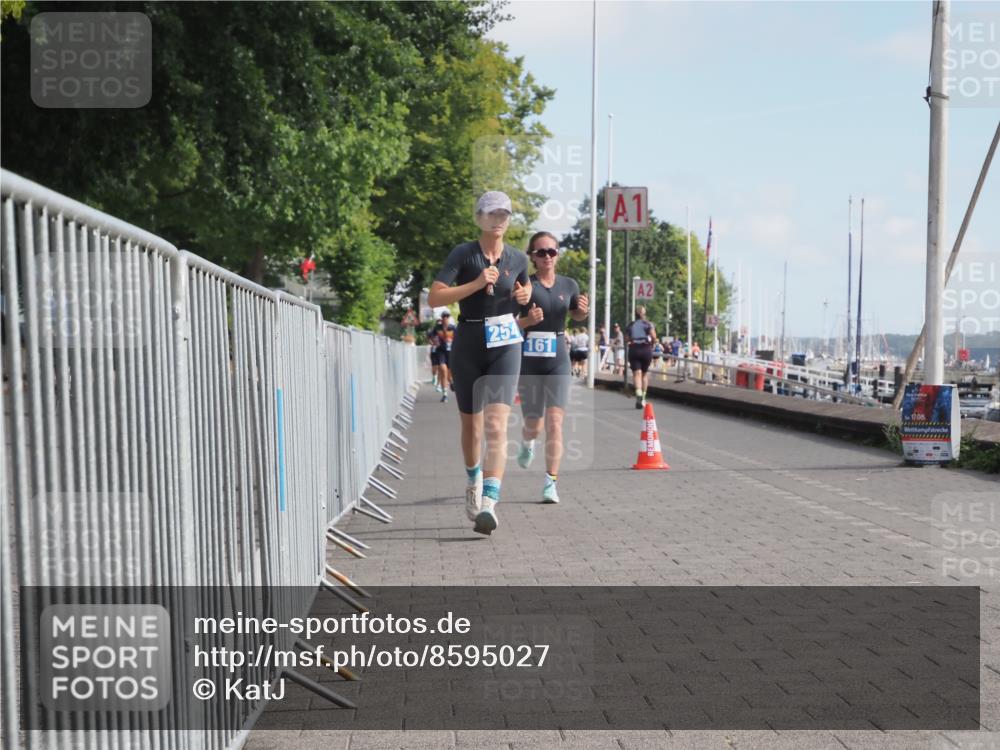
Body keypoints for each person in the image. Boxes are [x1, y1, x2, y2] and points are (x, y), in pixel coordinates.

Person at [427, 191, 531, 535]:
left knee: (498, 427)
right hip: (469, 341)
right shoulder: (464, 253)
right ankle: (473, 481)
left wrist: (524, 299)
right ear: (479, 218)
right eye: (491, 213)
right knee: (471, 426)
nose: (498, 219)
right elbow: (435, 296)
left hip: (504, 343)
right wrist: (474, 284)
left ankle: (489, 502)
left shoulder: (518, 259)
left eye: (504, 214)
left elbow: (526, 301)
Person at [514, 232, 588, 504]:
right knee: (534, 424)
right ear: (532, 256)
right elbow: (507, 322)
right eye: (541, 252)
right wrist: (527, 321)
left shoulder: (569, 284)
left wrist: (583, 310)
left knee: (555, 423)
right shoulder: (524, 285)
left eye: (552, 252)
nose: (547, 256)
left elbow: (576, 314)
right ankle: (527, 441)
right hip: (529, 361)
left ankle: (550, 483)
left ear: (557, 255)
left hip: (558, 359)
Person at [626, 306, 656, 409]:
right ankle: (643, 397)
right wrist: (652, 344)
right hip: (645, 349)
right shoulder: (648, 324)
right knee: (644, 374)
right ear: (643, 314)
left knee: (636, 373)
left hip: (634, 349)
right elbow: (654, 336)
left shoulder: (631, 325)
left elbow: (627, 339)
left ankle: (638, 393)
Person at [431, 311, 456, 402]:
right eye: (444, 317)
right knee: (443, 369)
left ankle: (452, 382)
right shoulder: (437, 328)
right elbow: (431, 336)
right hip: (441, 352)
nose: (445, 318)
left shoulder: (453, 328)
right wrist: (435, 341)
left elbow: (459, 339)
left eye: (447, 316)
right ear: (441, 318)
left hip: (451, 353)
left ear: (449, 318)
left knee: (449, 376)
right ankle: (445, 394)